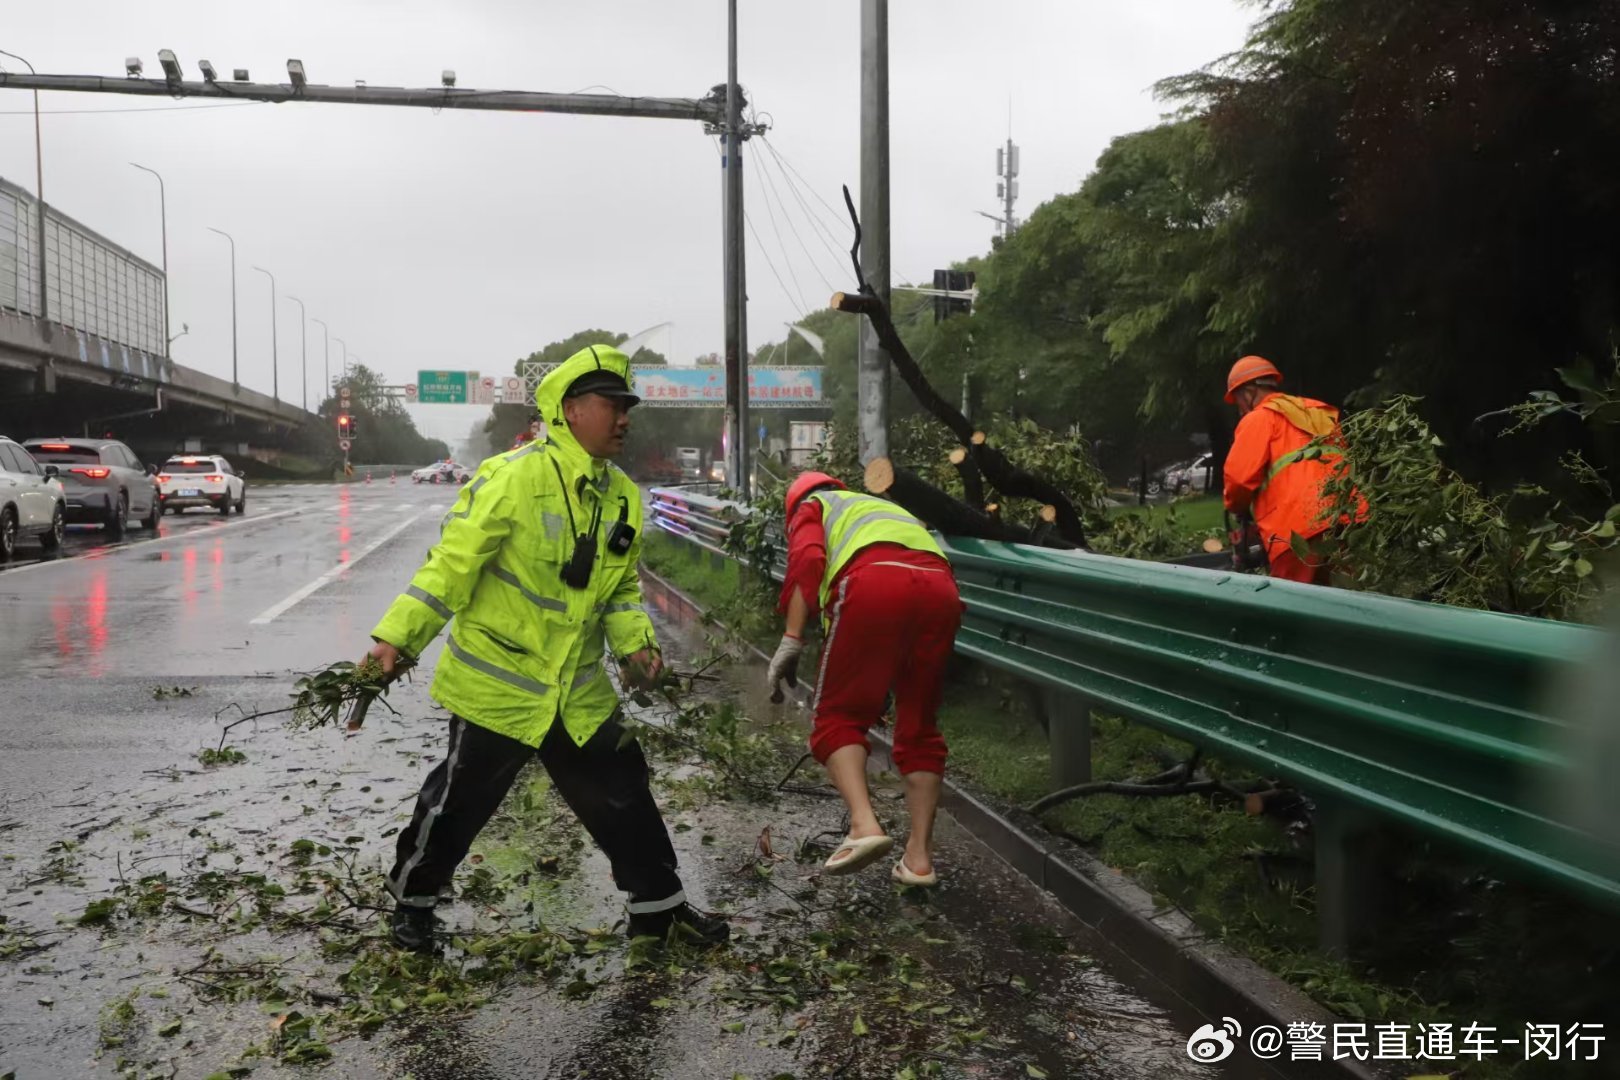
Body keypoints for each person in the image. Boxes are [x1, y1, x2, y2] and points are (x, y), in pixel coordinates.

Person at [364, 344, 728, 951]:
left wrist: (638, 650)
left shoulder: (621, 497)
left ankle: (659, 909)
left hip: (577, 689)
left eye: (626, 405)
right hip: (500, 685)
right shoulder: (511, 478)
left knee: (624, 792)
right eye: (612, 404)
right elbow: (450, 569)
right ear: (570, 409)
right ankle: (413, 906)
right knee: (457, 801)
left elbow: (621, 590)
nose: (624, 418)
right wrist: (397, 639)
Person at [766, 472, 962, 886]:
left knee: (836, 717)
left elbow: (808, 563)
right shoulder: (883, 507)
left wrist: (792, 638)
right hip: (941, 591)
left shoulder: (812, 506)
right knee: (920, 727)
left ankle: (863, 826)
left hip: (874, 584)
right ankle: (919, 860)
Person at [1221, 355, 1364, 584]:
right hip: (1348, 518)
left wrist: (1236, 506)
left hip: (1297, 530)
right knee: (1351, 605)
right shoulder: (1317, 412)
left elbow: (1239, 480)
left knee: (1294, 609)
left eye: (1237, 398)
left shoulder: (1259, 419)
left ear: (1249, 391)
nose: (1239, 406)